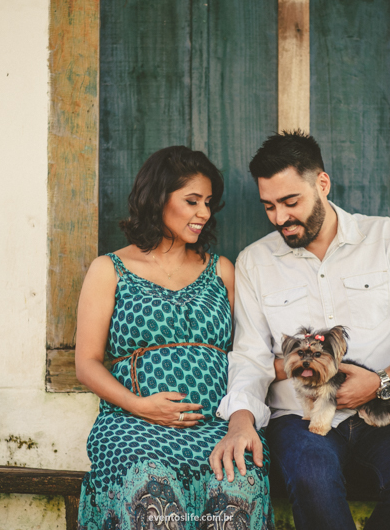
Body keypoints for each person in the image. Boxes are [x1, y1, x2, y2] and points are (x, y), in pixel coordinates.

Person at [209, 131, 390, 529]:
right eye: (269, 206)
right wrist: (240, 418)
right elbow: (249, 356)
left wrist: (382, 381)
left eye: (291, 202)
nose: (279, 218)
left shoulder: (386, 238)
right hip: (298, 417)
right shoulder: (254, 262)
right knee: (312, 480)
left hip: (382, 408)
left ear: (321, 184)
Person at [76, 146, 273, 530]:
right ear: (157, 198)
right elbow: (86, 363)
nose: (203, 213)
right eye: (192, 201)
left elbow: (247, 352)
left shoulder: (222, 271)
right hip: (134, 428)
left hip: (215, 429)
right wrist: (140, 406)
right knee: (153, 497)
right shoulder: (109, 269)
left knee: (241, 489)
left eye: (208, 203)